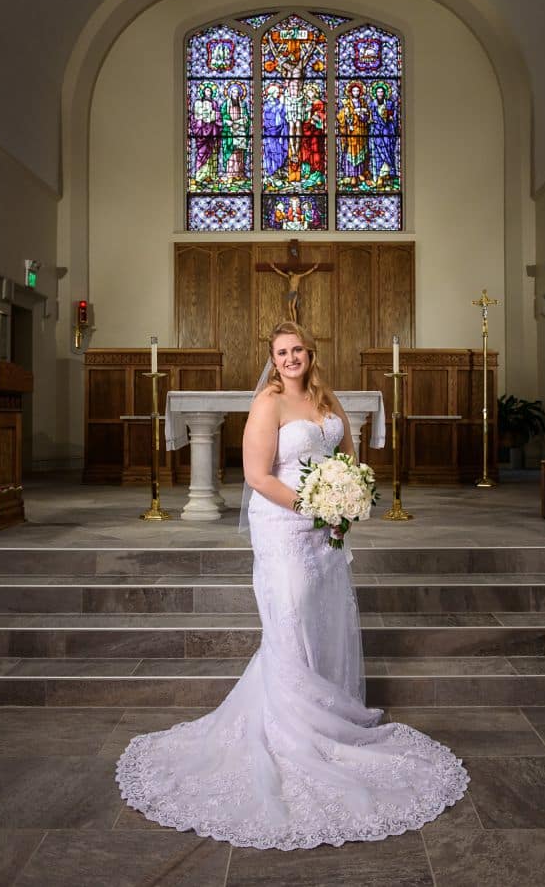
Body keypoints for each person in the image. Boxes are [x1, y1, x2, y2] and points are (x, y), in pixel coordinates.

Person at [116, 322, 469, 850]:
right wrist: (315, 504)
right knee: (293, 613)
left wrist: (347, 495)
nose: (289, 359)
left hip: (327, 529)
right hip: (284, 524)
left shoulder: (329, 401)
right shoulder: (268, 403)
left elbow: (352, 460)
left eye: (296, 350)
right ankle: (293, 728)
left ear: (310, 353)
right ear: (273, 358)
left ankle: (328, 710)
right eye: (280, 352)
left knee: (326, 613)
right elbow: (258, 476)